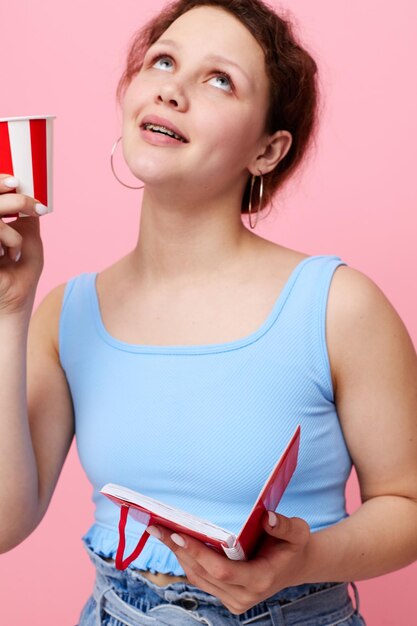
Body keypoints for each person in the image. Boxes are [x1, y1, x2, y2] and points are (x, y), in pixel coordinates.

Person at [1, 0, 417, 624]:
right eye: (163, 61)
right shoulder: (67, 314)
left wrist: (302, 560)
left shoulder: (336, 305)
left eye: (220, 79)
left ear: (268, 151)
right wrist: (10, 311)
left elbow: (407, 502)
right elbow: (5, 522)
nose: (172, 89)